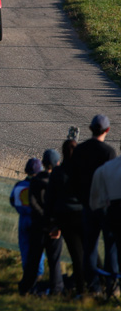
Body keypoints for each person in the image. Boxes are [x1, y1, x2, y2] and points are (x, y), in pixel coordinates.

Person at [70, 114, 117, 294]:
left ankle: (93, 284)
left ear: (90, 129)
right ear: (107, 130)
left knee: (89, 246)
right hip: (106, 205)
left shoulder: (80, 150)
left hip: (87, 204)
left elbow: (72, 179)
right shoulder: (108, 153)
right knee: (110, 245)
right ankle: (111, 284)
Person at [18, 149, 64, 296]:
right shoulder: (60, 181)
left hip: (38, 225)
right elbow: (61, 205)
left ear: (43, 164)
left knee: (33, 258)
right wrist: (56, 223)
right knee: (54, 260)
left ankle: (26, 286)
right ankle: (56, 288)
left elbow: (33, 202)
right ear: (57, 163)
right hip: (54, 228)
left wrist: (42, 218)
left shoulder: (36, 181)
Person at [48, 139, 84, 296]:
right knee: (89, 253)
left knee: (77, 255)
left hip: (66, 218)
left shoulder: (58, 172)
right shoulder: (83, 170)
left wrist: (53, 224)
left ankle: (82, 289)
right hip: (83, 216)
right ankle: (97, 285)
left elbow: (50, 199)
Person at [11, 158, 45, 281]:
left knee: (24, 247)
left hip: (23, 220)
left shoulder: (19, 186)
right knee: (37, 249)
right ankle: (38, 273)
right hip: (36, 220)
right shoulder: (41, 187)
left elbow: (12, 201)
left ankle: (27, 272)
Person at [91, 139, 121, 273]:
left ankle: (112, 283)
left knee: (111, 248)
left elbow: (97, 194)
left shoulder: (108, 168)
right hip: (113, 211)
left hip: (112, 211)